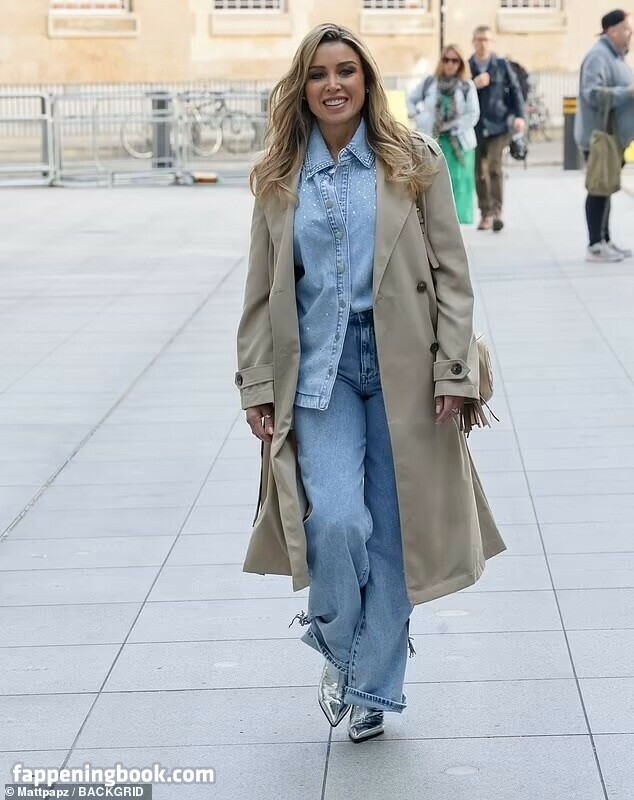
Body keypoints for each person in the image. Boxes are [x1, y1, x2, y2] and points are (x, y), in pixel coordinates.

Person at [235, 23, 505, 745]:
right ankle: (342, 643)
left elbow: (452, 274)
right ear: (303, 86)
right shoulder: (279, 177)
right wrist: (256, 383)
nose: (333, 85)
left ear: (366, 80)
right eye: (319, 73)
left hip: (403, 369)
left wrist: (454, 369)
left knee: (393, 532)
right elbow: (261, 291)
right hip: (318, 372)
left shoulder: (412, 161)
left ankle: (372, 686)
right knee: (336, 522)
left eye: (346, 71)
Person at [575, 9, 634, 263]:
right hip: (600, 138)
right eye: (627, 29)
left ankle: (605, 240)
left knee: (607, 187)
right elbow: (592, 93)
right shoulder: (598, 56)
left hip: (613, 138)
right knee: (599, 188)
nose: (631, 34)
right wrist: (627, 92)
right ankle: (595, 245)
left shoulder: (615, 56)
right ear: (612, 31)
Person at [407, 44, 480, 225]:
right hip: (434, 141)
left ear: (461, 64)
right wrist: (418, 116)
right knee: (436, 183)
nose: (450, 64)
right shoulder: (430, 83)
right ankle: (439, 222)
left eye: (455, 61)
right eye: (446, 60)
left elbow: (473, 114)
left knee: (460, 182)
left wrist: (454, 126)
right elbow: (411, 100)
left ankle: (459, 223)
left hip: (459, 143)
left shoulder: (466, 86)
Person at [468, 25, 526, 232]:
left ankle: (496, 212)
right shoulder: (467, 66)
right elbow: (459, 91)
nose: (482, 44)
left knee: (494, 167)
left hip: (499, 124)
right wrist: (472, 84)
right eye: (479, 39)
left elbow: (516, 90)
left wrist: (520, 116)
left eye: (486, 40)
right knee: (479, 172)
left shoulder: (501, 65)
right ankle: (485, 213)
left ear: (491, 43)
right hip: (475, 126)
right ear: (473, 42)